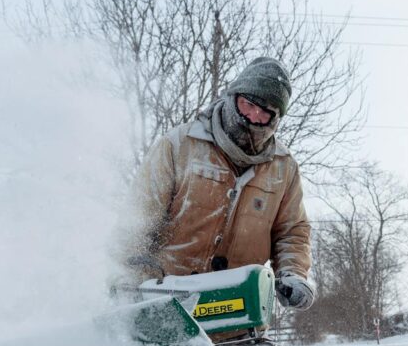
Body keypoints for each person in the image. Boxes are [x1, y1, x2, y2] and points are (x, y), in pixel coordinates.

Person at [127, 56, 315, 311]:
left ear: (275, 119)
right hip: (169, 304)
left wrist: (293, 273)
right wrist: (130, 275)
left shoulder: (283, 168)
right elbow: (138, 217)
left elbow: (292, 230)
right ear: (234, 96)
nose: (253, 116)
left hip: (239, 309)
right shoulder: (180, 145)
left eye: (266, 112)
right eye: (248, 104)